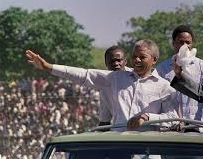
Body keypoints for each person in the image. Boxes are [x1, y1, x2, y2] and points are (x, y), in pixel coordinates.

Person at [26, 39, 179, 131]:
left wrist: (146, 117)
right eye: (135, 56)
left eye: (142, 57)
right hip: (119, 145)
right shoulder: (116, 78)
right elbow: (84, 75)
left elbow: (173, 117)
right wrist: (49, 67)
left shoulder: (165, 87)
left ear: (154, 60)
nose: (137, 60)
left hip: (149, 148)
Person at [156, 24, 203, 132]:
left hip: (197, 127)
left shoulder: (202, 67)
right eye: (181, 42)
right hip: (171, 128)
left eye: (188, 42)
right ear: (173, 43)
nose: (185, 46)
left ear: (192, 44)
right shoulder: (162, 69)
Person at [99, 45, 131, 127]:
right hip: (121, 130)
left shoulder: (138, 77)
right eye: (112, 61)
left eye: (119, 60)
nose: (116, 64)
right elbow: (105, 119)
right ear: (106, 64)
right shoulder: (104, 85)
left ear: (125, 61)